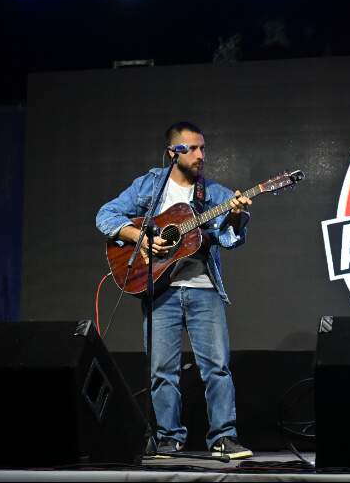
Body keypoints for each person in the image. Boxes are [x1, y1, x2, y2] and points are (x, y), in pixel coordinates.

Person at [95, 121, 253, 459]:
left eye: (203, 148)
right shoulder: (150, 185)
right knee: (161, 371)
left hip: (203, 289)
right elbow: (105, 215)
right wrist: (142, 237)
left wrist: (237, 217)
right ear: (173, 152)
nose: (200, 155)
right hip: (160, 290)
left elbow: (231, 239)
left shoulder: (217, 194)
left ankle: (224, 438)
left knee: (217, 366)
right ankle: (169, 439)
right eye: (192, 148)